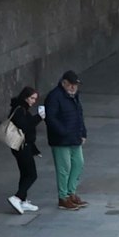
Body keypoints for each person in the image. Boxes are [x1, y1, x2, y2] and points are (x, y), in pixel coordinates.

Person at [43, 70, 85, 210]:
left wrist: (83, 132)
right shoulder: (54, 97)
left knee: (78, 163)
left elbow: (79, 114)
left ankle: (71, 193)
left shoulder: (74, 96)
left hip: (74, 137)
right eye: (71, 85)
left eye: (75, 85)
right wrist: (63, 132)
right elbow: (51, 118)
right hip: (61, 139)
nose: (73, 88)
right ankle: (63, 197)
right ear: (64, 83)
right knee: (64, 168)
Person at [4, 84, 42, 214]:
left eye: (35, 99)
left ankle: (23, 200)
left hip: (23, 146)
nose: (33, 101)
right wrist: (39, 117)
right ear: (25, 97)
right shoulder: (20, 110)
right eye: (32, 98)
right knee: (32, 174)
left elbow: (28, 124)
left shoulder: (22, 108)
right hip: (21, 146)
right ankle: (17, 197)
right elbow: (25, 127)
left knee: (25, 173)